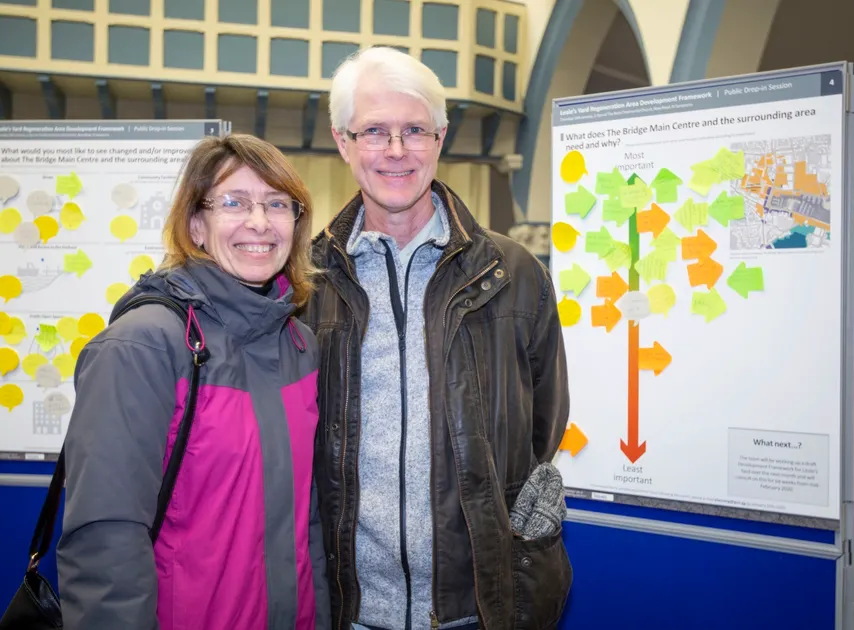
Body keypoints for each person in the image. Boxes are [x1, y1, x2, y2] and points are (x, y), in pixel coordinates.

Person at [301, 47, 572, 630]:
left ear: (441, 137)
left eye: (414, 130)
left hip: (478, 607)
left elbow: (543, 423)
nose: (396, 151)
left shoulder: (514, 272)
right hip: (346, 610)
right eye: (374, 130)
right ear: (343, 141)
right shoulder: (305, 281)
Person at [56, 134, 330, 629]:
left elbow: (306, 522)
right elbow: (106, 540)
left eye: (277, 204)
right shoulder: (141, 347)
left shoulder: (300, 346)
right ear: (195, 225)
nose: (260, 223)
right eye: (234, 202)